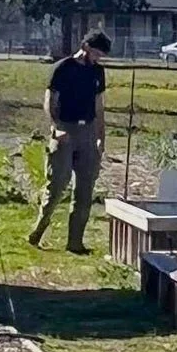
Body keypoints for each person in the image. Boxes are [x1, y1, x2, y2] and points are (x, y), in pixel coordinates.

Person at [30, 31, 111, 252]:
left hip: (88, 132)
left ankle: (75, 243)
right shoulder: (63, 68)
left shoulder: (98, 72)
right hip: (65, 129)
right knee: (57, 184)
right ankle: (38, 229)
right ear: (85, 47)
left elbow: (99, 107)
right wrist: (55, 128)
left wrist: (100, 138)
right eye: (95, 53)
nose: (97, 58)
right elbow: (49, 101)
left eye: (100, 55)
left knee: (84, 190)